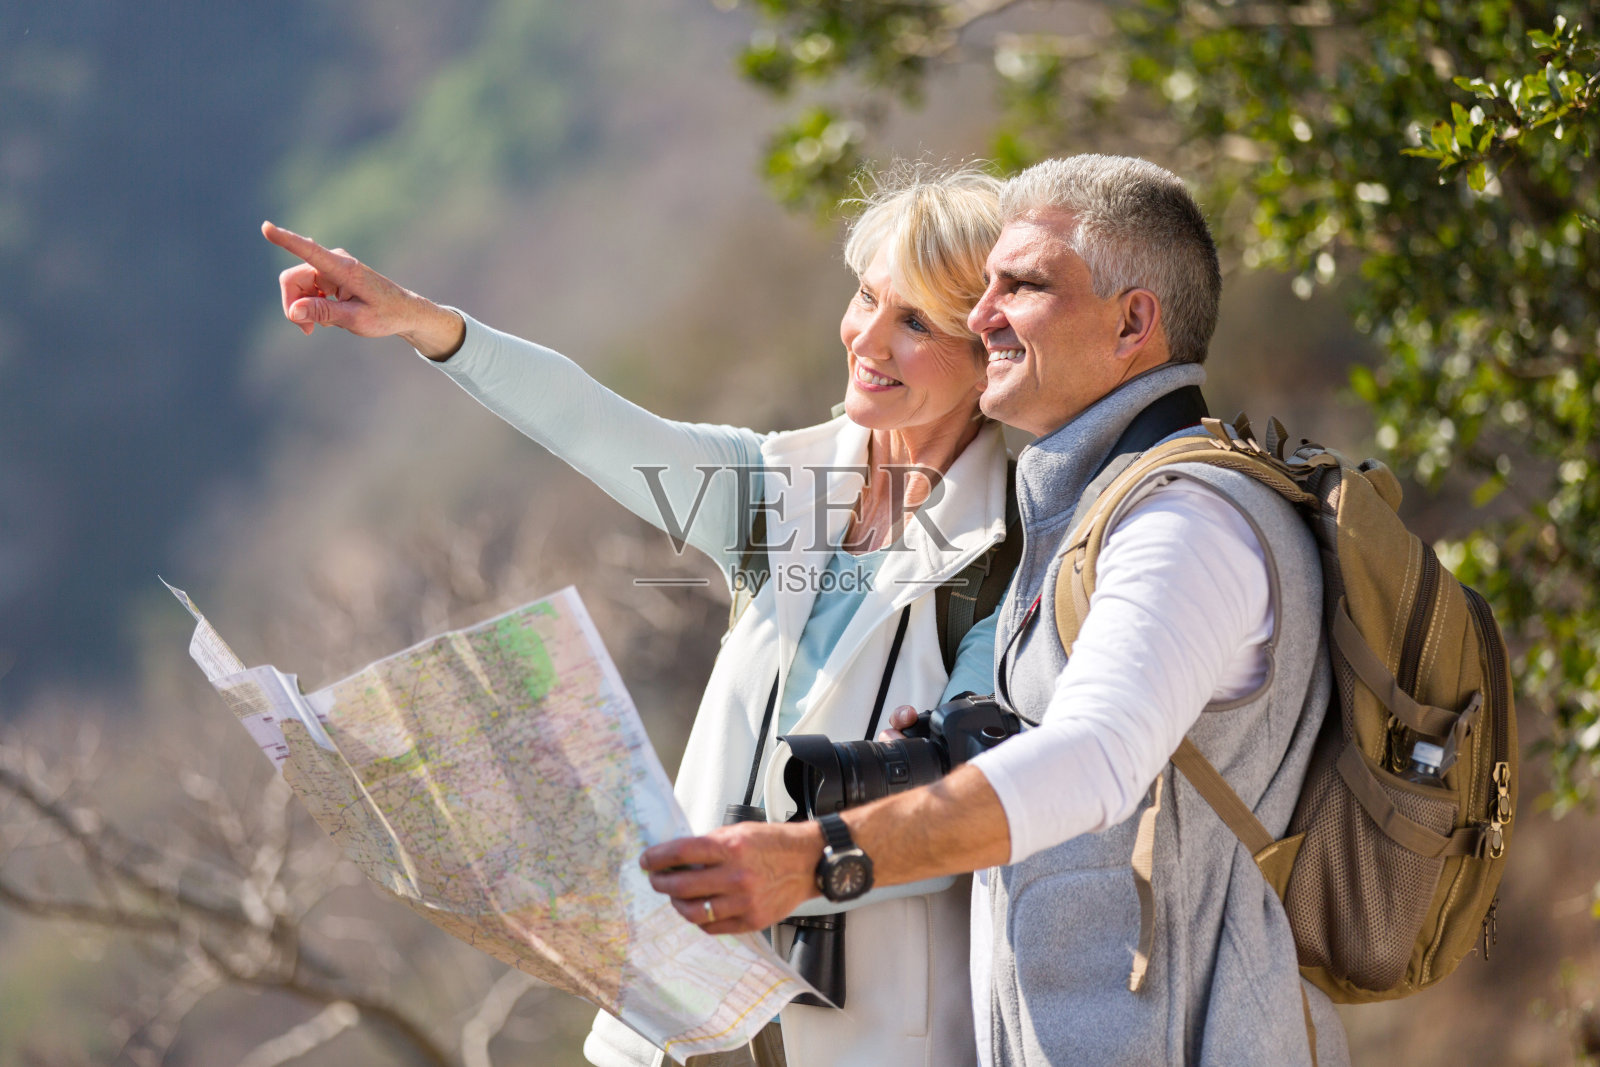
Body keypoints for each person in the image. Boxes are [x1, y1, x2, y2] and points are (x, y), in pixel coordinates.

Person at [262, 164, 1012, 1067]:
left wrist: (803, 860)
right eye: (866, 297)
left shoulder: (1010, 550)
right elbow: (591, 423)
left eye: (917, 323)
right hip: (680, 1016)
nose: (869, 339)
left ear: (988, 354)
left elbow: (987, 805)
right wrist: (425, 324)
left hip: (875, 1035)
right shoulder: (779, 486)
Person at [642, 154, 1351, 1066]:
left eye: (1022, 286)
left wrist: (814, 857)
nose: (981, 317)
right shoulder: (1081, 516)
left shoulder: (1184, 522)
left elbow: (1092, 760)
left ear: (1134, 322)